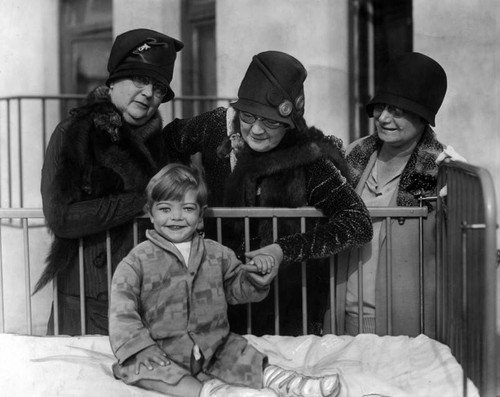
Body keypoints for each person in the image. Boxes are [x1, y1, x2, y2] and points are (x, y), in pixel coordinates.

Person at [164, 50, 373, 336]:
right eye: (249, 116)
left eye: (272, 121)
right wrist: (184, 195)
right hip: (214, 300)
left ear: (291, 122)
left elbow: (358, 221)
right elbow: (167, 142)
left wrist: (282, 250)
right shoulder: (215, 127)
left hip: (286, 309)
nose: (257, 130)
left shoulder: (309, 158)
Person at [109, 163, 342, 397]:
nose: (176, 217)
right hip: (161, 347)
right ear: (150, 213)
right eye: (165, 209)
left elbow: (235, 289)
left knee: (245, 358)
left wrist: (254, 277)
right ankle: (212, 392)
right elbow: (122, 311)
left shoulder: (217, 253)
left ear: (200, 216)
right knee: (149, 370)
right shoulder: (136, 261)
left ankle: (291, 383)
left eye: (188, 208)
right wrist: (140, 347)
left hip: (214, 344)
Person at [33, 28, 184, 335]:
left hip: (147, 299)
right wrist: (140, 201)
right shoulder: (73, 134)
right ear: (114, 80)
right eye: (140, 80)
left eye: (157, 88)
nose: (148, 94)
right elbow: (61, 218)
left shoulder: (160, 142)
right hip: (86, 300)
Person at [325, 52, 465, 337]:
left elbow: (464, 248)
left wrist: (458, 197)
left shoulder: (443, 170)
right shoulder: (355, 154)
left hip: (409, 326)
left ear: (423, 117)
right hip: (344, 319)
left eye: (398, 110)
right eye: (381, 107)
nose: (384, 118)